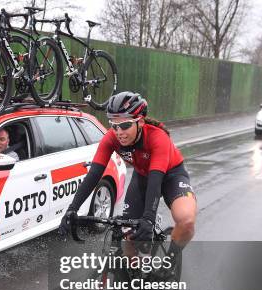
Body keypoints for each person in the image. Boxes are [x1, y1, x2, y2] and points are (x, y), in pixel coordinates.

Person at [59, 91, 197, 270]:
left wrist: (148, 218)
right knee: (129, 237)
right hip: (143, 176)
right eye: (114, 126)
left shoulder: (157, 137)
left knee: (186, 220)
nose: (119, 132)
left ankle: (168, 264)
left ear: (140, 122)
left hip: (171, 175)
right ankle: (135, 283)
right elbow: (93, 175)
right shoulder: (111, 138)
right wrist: (72, 209)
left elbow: (156, 181)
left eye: (124, 125)